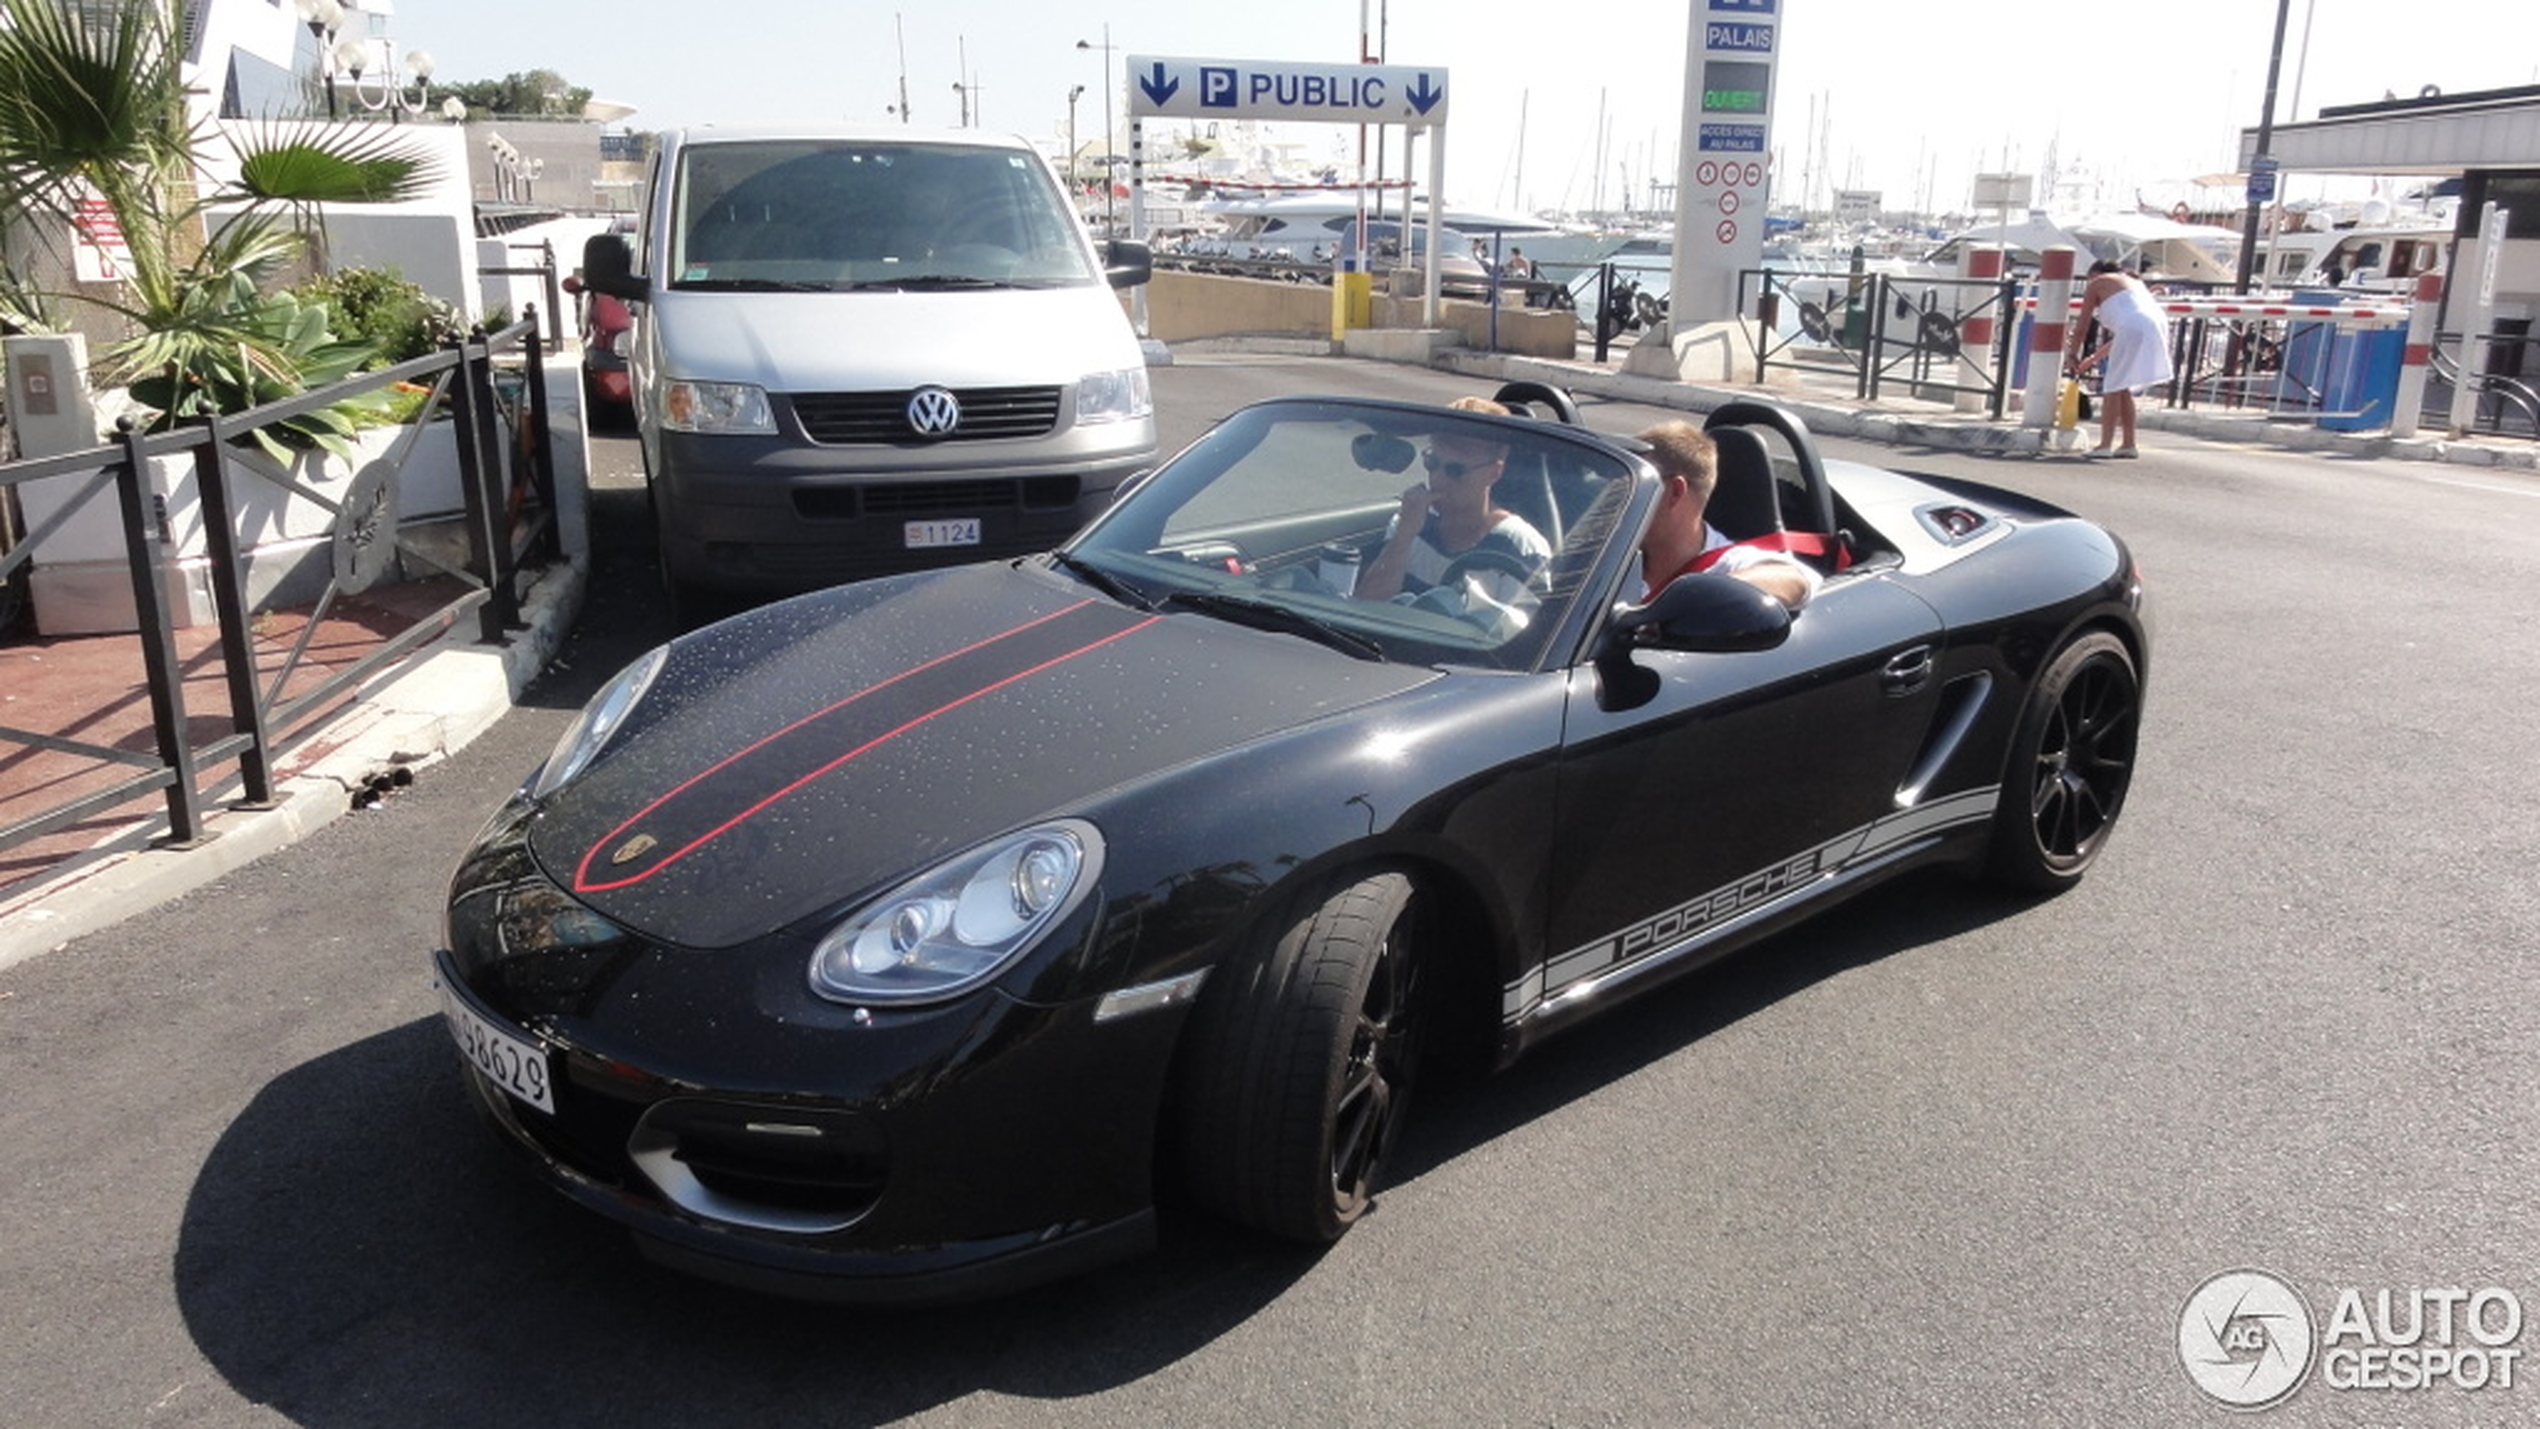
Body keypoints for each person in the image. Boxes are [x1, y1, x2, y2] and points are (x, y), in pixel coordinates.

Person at [1356, 397, 1551, 607]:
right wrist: (1403, 536)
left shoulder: (1520, 547)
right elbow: (1366, 605)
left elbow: (1522, 634)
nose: (1439, 479)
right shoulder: (1412, 521)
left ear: (1494, 473)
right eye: (1432, 463)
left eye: (1456, 470)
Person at [1633, 421, 1821, 610]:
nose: (1621, 498)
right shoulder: (1614, 551)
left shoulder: (1727, 563)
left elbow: (1796, 579)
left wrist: (1701, 596)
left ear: (1675, 492)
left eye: (1636, 485)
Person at [2069, 258, 2175, 458]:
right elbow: (2126, 334)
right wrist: (2092, 359)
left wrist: (2072, 354)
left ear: (2095, 274)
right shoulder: (2133, 283)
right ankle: (2128, 443)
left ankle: (2104, 445)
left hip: (2134, 327)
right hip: (2157, 325)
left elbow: (2082, 326)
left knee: (2113, 386)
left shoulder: (2097, 283)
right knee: (2123, 385)